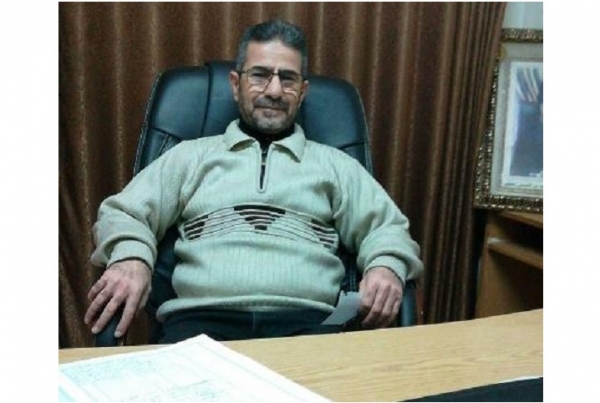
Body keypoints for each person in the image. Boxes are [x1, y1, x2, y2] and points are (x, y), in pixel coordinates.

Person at [84, 19, 423, 343]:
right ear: (235, 84)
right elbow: (124, 213)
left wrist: (386, 266)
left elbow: (388, 229)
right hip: (200, 325)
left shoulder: (335, 165)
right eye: (260, 75)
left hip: (309, 327)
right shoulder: (190, 156)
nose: (274, 90)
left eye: (288, 79)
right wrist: (131, 258)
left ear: (303, 91)